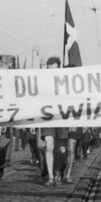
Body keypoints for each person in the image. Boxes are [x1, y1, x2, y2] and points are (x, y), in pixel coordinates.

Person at [40, 56, 68, 187]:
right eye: (49, 69)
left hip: (62, 118)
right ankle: (51, 177)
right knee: (49, 145)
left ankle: (58, 172)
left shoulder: (65, 82)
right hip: (47, 118)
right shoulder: (42, 83)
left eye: (54, 69)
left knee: (62, 150)